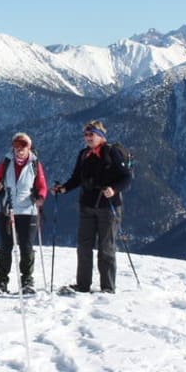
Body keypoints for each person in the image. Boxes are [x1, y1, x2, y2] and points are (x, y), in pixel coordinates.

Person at [52, 120, 133, 294]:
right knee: (84, 247)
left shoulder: (113, 153)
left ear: (101, 136)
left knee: (106, 248)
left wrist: (114, 189)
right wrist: (64, 188)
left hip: (109, 206)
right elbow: (77, 178)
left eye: (91, 134)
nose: (88, 137)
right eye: (86, 134)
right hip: (87, 205)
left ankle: (108, 287)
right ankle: (82, 285)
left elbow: (126, 177)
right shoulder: (83, 154)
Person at [0, 132, 48, 294]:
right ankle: (2, 280)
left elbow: (42, 184)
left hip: (28, 210)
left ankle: (27, 280)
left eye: (22, 146)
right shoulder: (6, 162)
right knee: (5, 245)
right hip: (8, 210)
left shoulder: (35, 164)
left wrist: (41, 197)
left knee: (26, 245)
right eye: (16, 146)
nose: (19, 150)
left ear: (29, 147)